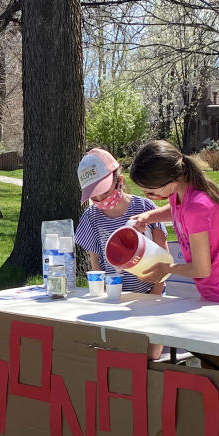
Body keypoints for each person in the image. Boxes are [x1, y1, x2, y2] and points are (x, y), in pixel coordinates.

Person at [127, 140, 219, 305]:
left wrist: (165, 269)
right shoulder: (182, 191)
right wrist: (147, 217)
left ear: (171, 183)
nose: (148, 197)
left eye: (150, 192)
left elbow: (201, 269)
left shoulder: (196, 208)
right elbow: (177, 210)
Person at [75, 147, 167, 359]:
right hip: (115, 298)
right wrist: (106, 294)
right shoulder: (91, 217)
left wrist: (155, 295)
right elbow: (95, 261)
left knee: (150, 355)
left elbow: (164, 257)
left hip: (149, 295)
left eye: (105, 193)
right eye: (94, 197)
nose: (101, 201)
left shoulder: (145, 207)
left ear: (120, 181)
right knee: (117, 353)